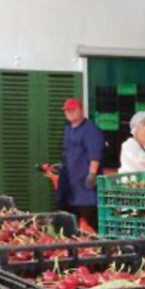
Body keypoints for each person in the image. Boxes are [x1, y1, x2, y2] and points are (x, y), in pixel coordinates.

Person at [57, 97, 104, 232]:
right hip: (70, 185)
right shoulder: (68, 129)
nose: (69, 113)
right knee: (71, 222)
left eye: (73, 110)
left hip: (86, 186)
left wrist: (92, 174)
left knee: (89, 221)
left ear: (81, 110)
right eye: (67, 111)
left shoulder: (91, 130)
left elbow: (95, 153)